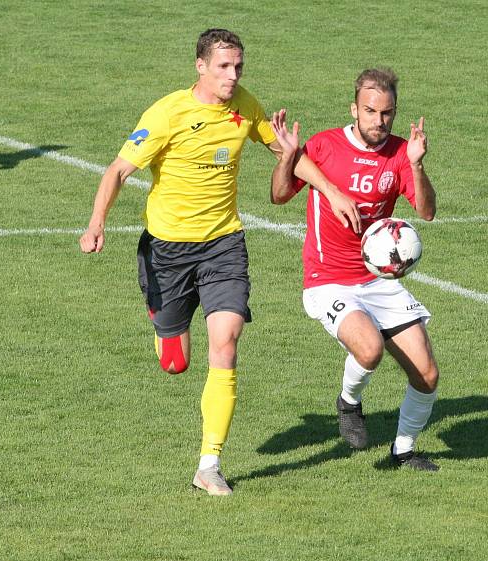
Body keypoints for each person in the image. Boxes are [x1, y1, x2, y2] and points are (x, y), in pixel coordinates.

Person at [79, 29, 360, 495]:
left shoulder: (244, 106)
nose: (233, 76)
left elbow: (285, 153)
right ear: (201, 67)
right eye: (225, 67)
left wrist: (332, 191)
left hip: (223, 246)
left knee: (226, 342)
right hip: (168, 252)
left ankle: (209, 465)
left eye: (239, 67)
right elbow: (118, 170)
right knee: (176, 363)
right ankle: (160, 315)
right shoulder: (167, 113)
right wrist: (96, 223)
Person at [269, 68, 441, 471]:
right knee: (369, 348)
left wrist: (416, 165)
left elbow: (427, 211)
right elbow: (278, 195)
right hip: (328, 280)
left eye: (387, 114)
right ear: (354, 109)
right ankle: (348, 403)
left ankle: (403, 452)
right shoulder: (325, 146)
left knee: (427, 375)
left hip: (377, 279)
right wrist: (291, 157)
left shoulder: (400, 152)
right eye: (370, 112)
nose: (379, 122)